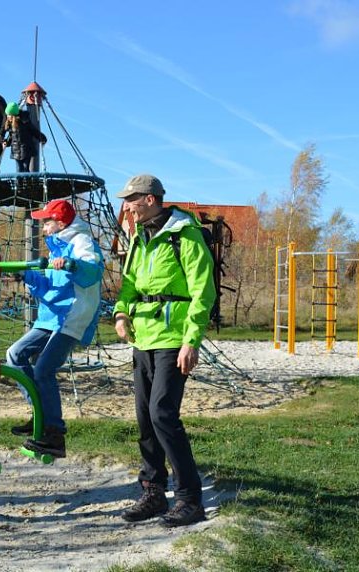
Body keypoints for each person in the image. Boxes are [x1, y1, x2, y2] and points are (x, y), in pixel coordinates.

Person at [113, 174, 217, 527]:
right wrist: (121, 313)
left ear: (151, 199)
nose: (127, 206)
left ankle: (190, 498)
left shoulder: (185, 236)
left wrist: (192, 340)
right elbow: (128, 284)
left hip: (173, 339)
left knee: (162, 414)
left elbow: (204, 291)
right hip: (143, 338)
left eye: (132, 199)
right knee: (145, 418)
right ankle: (153, 492)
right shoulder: (138, 237)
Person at [5, 199, 104, 458]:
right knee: (15, 354)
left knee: (44, 368)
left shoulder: (80, 242)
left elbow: (92, 270)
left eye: (46, 222)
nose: (43, 226)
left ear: (60, 223)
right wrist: (23, 275)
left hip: (73, 315)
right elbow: (47, 286)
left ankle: (54, 432)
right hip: (51, 317)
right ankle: (40, 414)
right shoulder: (55, 249)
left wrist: (72, 265)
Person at [1, 101, 46, 172]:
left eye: (9, 115)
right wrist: (7, 142)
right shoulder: (10, 124)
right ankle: (19, 182)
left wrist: (42, 138)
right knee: (19, 169)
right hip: (16, 149)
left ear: (13, 115)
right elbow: (11, 136)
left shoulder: (24, 122)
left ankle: (27, 182)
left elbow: (34, 131)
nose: (7, 116)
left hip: (26, 149)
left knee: (25, 167)